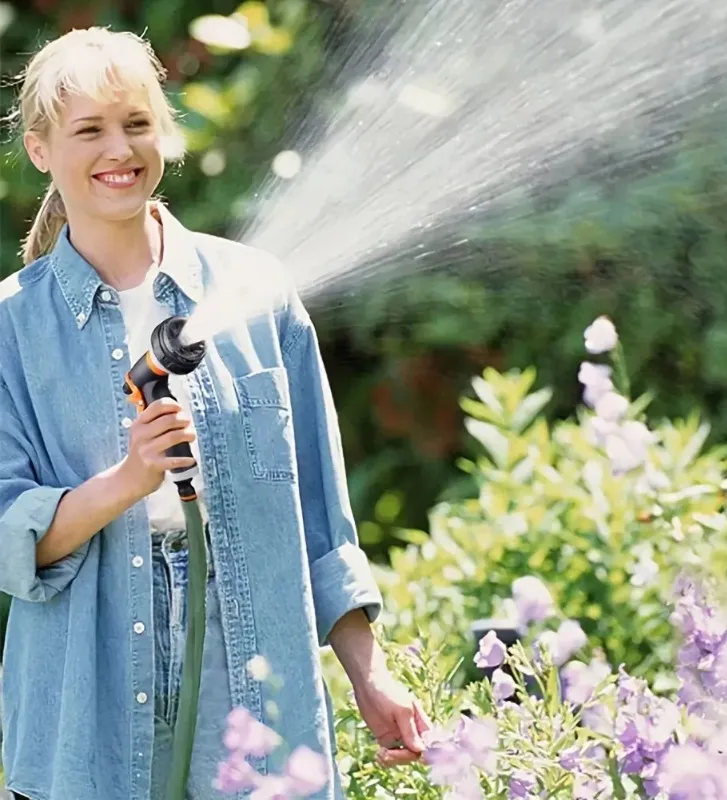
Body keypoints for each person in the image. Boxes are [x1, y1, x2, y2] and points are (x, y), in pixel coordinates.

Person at [0, 26, 428, 800]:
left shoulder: (255, 292)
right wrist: (128, 480)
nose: (118, 149)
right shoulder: (11, 329)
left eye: (135, 123)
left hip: (254, 675)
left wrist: (371, 675)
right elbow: (8, 537)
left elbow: (321, 517)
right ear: (40, 151)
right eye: (88, 130)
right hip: (83, 695)